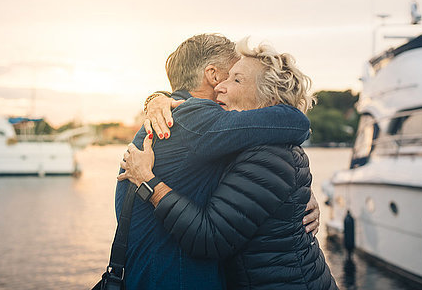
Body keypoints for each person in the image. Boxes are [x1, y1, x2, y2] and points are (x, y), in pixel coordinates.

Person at [120, 38, 338, 289]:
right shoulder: (203, 124)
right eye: (228, 75)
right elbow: (294, 123)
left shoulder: (256, 148)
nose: (223, 86)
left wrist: (298, 196)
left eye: (237, 79)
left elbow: (287, 139)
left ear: (266, 95)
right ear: (211, 74)